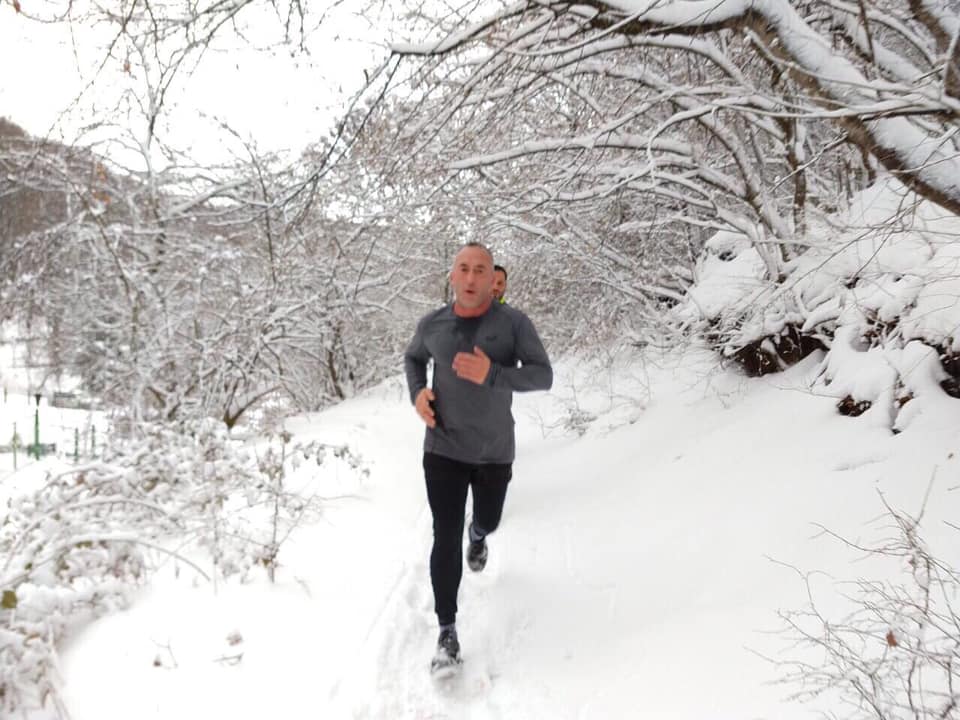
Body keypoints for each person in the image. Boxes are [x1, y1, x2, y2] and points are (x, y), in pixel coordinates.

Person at [404, 242, 553, 675]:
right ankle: (446, 632)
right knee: (443, 535)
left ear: (494, 280)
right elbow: (414, 358)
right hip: (443, 448)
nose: (471, 278)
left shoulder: (513, 324)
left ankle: (480, 532)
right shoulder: (433, 325)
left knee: (488, 519)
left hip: (492, 450)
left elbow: (543, 375)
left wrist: (494, 375)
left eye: (480, 270)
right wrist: (418, 393)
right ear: (453, 275)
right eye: (463, 269)